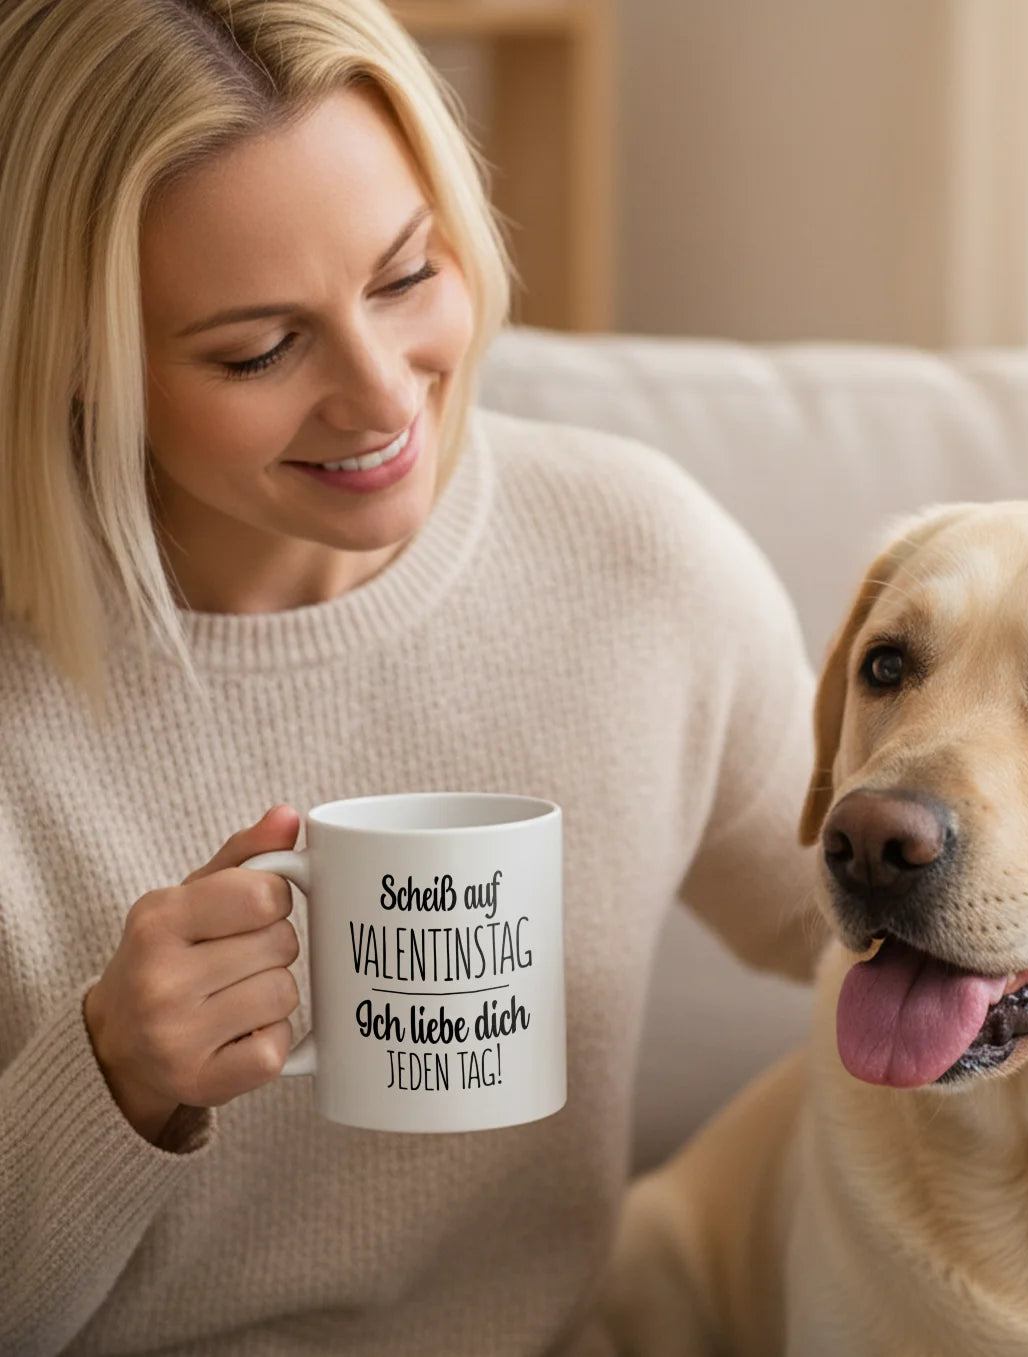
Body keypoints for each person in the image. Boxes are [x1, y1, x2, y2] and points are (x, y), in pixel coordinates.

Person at [0, 2, 826, 1353]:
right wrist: (111, 1079)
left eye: (404, 275)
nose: (384, 399)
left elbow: (887, 930)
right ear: (79, 363)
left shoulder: (637, 565)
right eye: (257, 349)